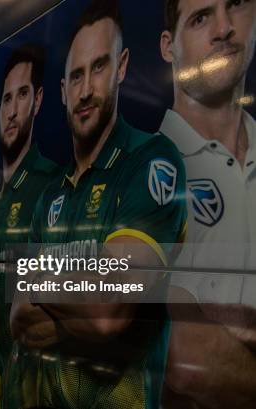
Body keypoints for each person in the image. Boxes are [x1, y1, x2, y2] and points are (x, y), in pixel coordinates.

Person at [8, 1, 187, 408]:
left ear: (122, 67)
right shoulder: (50, 196)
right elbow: (20, 322)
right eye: (75, 76)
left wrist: (39, 279)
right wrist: (87, 300)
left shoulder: (152, 160)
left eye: (99, 67)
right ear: (62, 91)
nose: (86, 90)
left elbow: (109, 310)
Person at [159, 0, 256, 407]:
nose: (224, 28)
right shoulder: (145, 169)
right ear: (169, 46)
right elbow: (172, 352)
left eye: (235, 5)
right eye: (200, 18)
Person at [0, 43, 59, 379]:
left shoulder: (52, 185)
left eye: (22, 95)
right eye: (6, 99)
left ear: (38, 100)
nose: (12, 111)